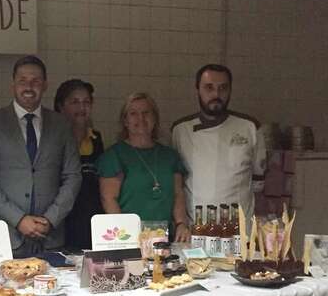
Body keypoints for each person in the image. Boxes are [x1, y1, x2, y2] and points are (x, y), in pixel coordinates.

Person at [0, 55, 82, 258]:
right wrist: (19, 219)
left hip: (51, 234)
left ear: (45, 85)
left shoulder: (61, 124)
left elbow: (73, 176)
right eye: (22, 80)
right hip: (6, 234)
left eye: (35, 81)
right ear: (12, 85)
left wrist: (50, 219)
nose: (29, 86)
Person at [171, 64, 266, 221]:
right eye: (209, 87)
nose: (216, 94)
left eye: (223, 88)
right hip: (195, 228)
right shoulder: (180, 130)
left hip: (239, 230)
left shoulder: (250, 127)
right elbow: (176, 185)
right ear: (197, 90)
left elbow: (258, 183)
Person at [98, 93, 190, 243]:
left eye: (146, 113)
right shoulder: (114, 156)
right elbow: (108, 199)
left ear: (155, 118)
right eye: (133, 113)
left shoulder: (170, 156)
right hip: (130, 238)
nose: (140, 118)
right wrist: (125, 237)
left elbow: (178, 194)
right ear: (125, 121)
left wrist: (181, 224)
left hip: (166, 239)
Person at [54, 79, 104, 251]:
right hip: (61, 222)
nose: (82, 107)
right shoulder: (52, 141)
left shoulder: (97, 139)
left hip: (91, 220)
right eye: (75, 102)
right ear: (60, 106)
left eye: (86, 102)